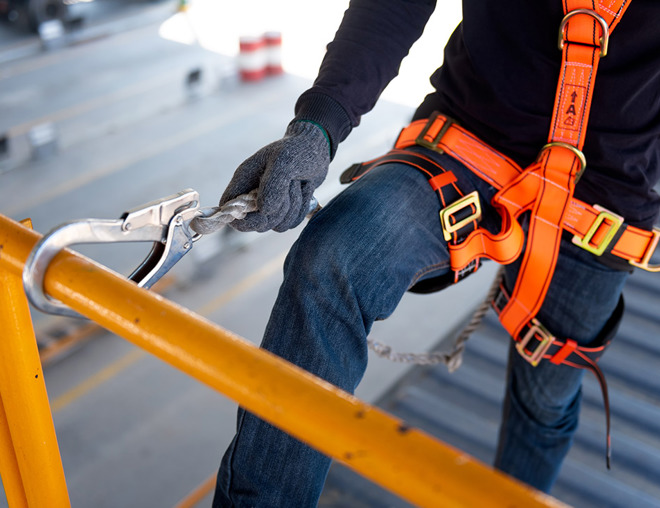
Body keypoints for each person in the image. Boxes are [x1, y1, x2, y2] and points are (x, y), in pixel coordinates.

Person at [212, 0, 660, 506]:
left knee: (546, 397)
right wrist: (318, 126)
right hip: (470, 140)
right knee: (332, 258)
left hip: (604, 196)